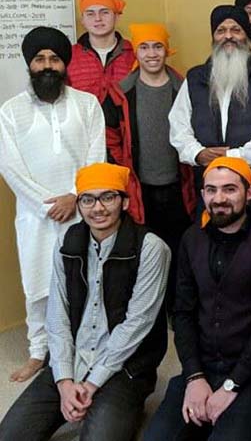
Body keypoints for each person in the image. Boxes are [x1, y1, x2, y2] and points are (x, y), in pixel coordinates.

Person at [0, 163, 170, 441]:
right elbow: (58, 314)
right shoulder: (68, 240)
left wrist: (91, 383)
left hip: (123, 366)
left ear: (125, 202)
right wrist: (65, 380)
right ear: (79, 204)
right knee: (9, 435)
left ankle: (126, 405)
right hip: (74, 357)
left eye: (108, 197)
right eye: (87, 199)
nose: (98, 208)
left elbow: (138, 323)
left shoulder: (151, 247)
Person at [145, 157, 251, 440]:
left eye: (230, 189)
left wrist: (232, 386)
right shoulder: (191, 238)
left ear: (250, 193)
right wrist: (194, 377)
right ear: (202, 194)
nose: (219, 198)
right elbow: (183, 313)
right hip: (204, 366)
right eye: (211, 190)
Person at [0, 27, 106, 383]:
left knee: (86, 279)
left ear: (65, 64)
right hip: (35, 215)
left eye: (55, 59)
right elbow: (10, 167)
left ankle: (83, 346)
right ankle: (37, 351)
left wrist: (76, 197)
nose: (48, 65)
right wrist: (48, 205)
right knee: (39, 283)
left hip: (84, 210)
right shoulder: (10, 112)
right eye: (40, 59)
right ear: (29, 64)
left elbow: (96, 156)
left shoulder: (87, 104)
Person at [102, 23, 196, 319]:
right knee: (147, 253)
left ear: (167, 50)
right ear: (136, 51)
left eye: (158, 47)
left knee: (180, 250)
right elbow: (111, 137)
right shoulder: (121, 93)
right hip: (140, 190)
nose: (152, 54)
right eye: (145, 47)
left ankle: (176, 310)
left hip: (181, 188)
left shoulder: (184, 89)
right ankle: (149, 311)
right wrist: (124, 174)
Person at [169, 5, 251, 224]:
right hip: (211, 194)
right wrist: (198, 153)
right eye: (221, 30)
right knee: (211, 252)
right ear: (213, 37)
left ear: (245, 35)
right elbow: (178, 126)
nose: (228, 36)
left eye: (235, 30)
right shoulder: (195, 78)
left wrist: (234, 157)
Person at [67, 0, 135, 102]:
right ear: (82, 20)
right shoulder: (69, 55)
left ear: (116, 17)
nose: (98, 18)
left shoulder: (134, 53)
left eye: (105, 12)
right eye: (90, 14)